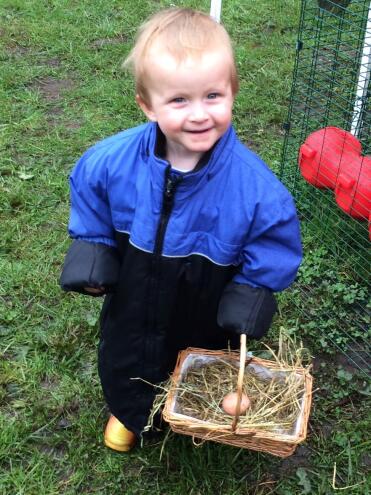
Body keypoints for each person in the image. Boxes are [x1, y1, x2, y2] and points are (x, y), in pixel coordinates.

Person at [60, 7, 302, 452]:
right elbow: (89, 188)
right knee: (125, 349)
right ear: (147, 105)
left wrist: (254, 286)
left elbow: (275, 236)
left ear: (233, 91)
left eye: (213, 96)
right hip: (134, 284)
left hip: (205, 296)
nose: (198, 114)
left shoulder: (257, 190)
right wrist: (93, 246)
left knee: (198, 355)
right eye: (179, 100)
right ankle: (130, 411)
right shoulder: (110, 162)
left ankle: (195, 411)